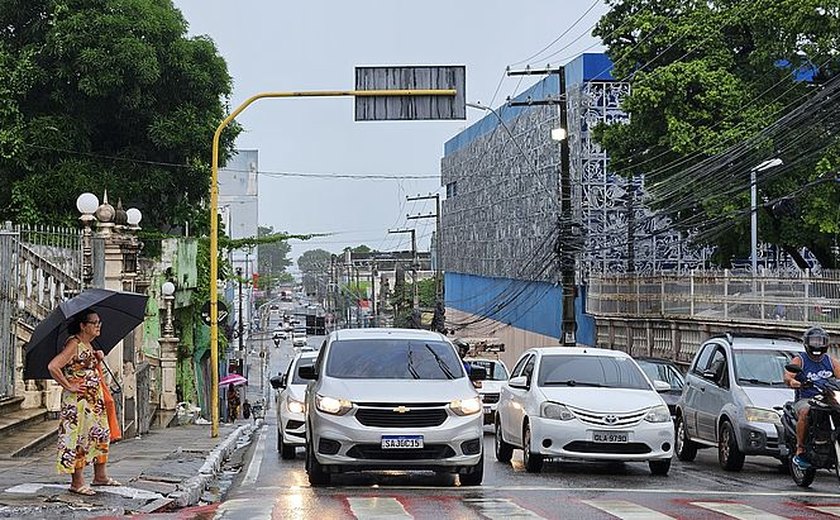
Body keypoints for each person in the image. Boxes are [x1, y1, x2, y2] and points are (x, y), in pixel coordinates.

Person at [47, 309, 120, 496]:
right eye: (94, 323)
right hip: (78, 403)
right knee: (79, 438)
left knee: (99, 435)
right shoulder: (74, 343)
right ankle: (77, 482)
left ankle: (100, 476)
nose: (98, 326)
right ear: (83, 325)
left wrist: (98, 358)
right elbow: (54, 366)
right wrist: (68, 385)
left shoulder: (88, 345)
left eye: (99, 322)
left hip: (93, 402)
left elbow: (85, 366)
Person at [783, 326, 840, 469]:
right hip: (806, 399)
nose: (817, 345)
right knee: (805, 411)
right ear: (807, 343)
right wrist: (795, 383)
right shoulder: (800, 360)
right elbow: (788, 377)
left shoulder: (831, 362)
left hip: (827, 399)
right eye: (814, 341)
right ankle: (800, 449)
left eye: (820, 341)